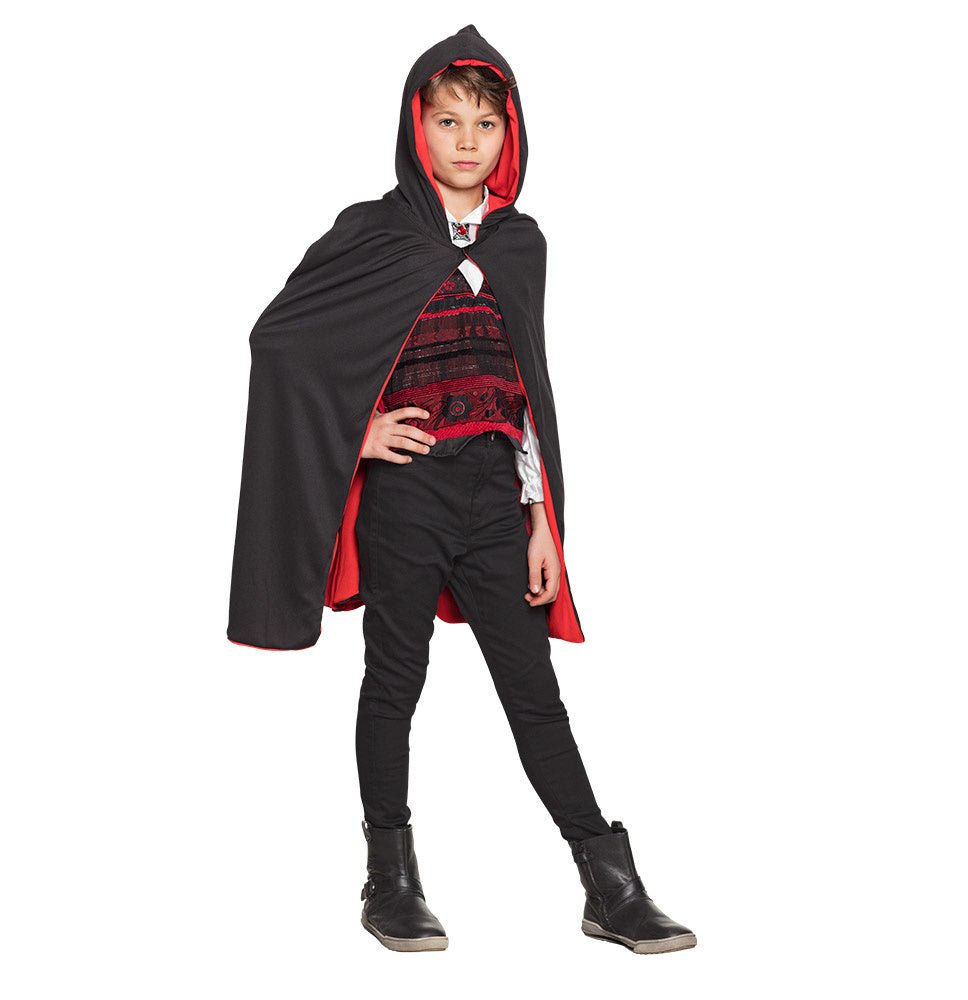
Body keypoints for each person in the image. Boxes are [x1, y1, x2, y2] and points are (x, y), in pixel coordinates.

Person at [227, 25, 696, 957]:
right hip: (405, 494)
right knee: (394, 682)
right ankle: (391, 881)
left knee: (534, 692)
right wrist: (358, 433)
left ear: (508, 134)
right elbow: (280, 340)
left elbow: (527, 387)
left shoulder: (521, 244)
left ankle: (610, 885)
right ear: (418, 127)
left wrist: (540, 518)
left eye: (485, 122)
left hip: (493, 497)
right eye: (448, 121)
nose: (467, 140)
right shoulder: (372, 233)